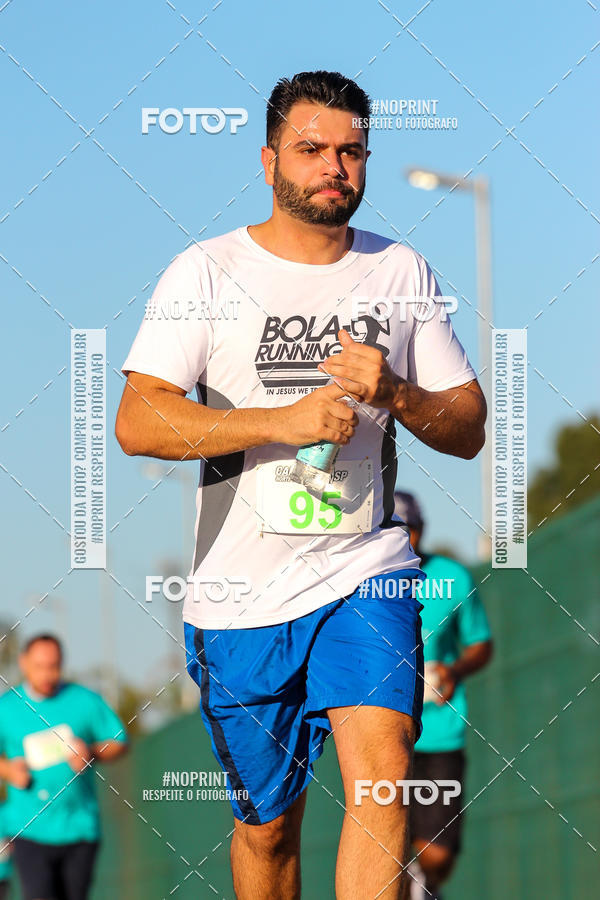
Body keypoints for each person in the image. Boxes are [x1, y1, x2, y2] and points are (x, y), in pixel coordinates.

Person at [116, 70, 486, 899]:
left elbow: (468, 427)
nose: (334, 167)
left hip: (365, 567)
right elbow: (139, 420)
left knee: (383, 773)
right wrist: (280, 420)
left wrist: (398, 392)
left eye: (352, 152)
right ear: (268, 159)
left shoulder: (400, 270)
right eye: (312, 149)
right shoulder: (207, 271)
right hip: (241, 595)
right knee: (269, 830)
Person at [392, 492, 493, 900]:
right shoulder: (362, 584)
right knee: (385, 842)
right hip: (383, 733)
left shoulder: (452, 578)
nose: (405, 537)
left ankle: (423, 880)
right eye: (396, 528)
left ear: (422, 529)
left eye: (411, 529)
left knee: (438, 855)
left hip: (440, 735)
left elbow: (481, 642)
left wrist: (454, 670)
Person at [0, 634, 129, 900]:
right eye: (39, 666)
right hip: (29, 828)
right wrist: (9, 770)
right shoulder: (7, 708)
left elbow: (119, 742)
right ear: (23, 663)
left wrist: (91, 752)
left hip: (80, 827)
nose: (47, 674)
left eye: (54, 666)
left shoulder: (84, 701)